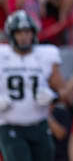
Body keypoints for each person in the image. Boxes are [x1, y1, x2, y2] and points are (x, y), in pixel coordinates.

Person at [0, 10, 69, 161]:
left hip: (39, 124)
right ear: (11, 34)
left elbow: (65, 93)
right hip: (10, 124)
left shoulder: (46, 55)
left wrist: (53, 97)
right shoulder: (2, 56)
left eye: (27, 32)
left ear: (33, 34)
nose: (24, 37)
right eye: (19, 33)